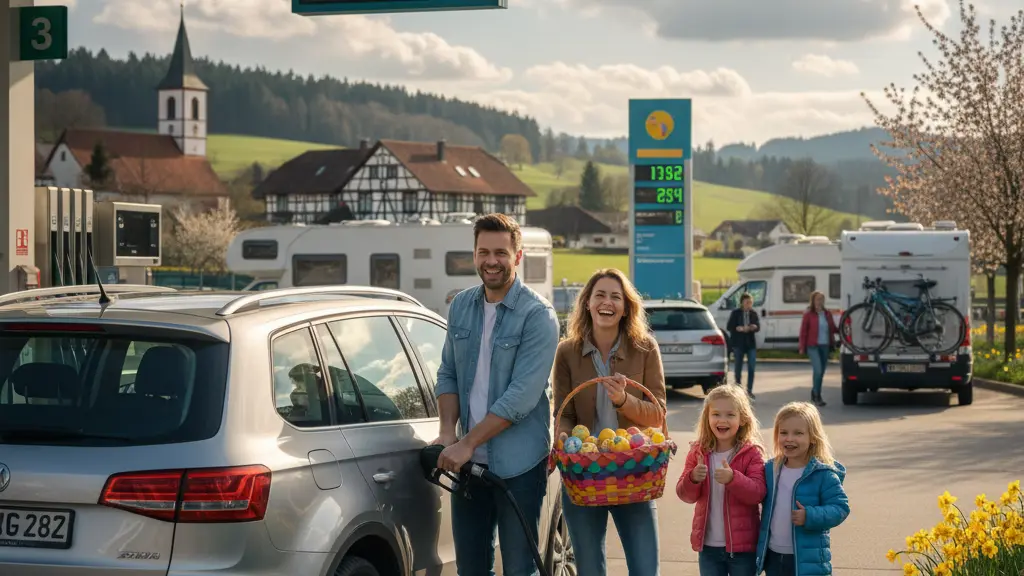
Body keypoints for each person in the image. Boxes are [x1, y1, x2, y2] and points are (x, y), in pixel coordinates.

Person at [432, 213, 561, 576]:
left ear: (517, 256)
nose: (492, 261)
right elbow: (448, 373)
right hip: (468, 466)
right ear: (474, 255)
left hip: (519, 465)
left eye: (501, 253)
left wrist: (467, 443)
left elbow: (520, 397)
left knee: (520, 568)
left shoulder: (539, 316)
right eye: (483, 252)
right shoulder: (460, 305)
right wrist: (447, 432)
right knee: (470, 569)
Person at [552, 267, 667, 576]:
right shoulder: (567, 352)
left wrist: (624, 401)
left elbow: (658, 414)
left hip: (634, 471)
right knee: (590, 569)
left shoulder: (645, 349)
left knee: (645, 570)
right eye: (599, 295)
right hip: (584, 473)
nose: (607, 302)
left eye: (616, 296)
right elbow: (564, 413)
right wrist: (562, 441)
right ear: (587, 302)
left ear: (627, 307)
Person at [677, 385, 767, 575]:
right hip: (708, 547)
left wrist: (734, 478)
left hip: (742, 549)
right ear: (707, 417)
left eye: (730, 415)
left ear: (743, 419)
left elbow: (758, 493)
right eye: (716, 414)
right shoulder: (698, 452)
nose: (722, 420)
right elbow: (684, 495)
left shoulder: (752, 453)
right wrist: (692, 478)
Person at [755, 402, 850, 576]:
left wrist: (810, 515)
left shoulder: (823, 473)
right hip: (773, 555)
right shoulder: (771, 469)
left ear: (813, 437)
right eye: (783, 433)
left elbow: (840, 508)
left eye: (798, 433)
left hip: (809, 560)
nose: (789, 438)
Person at [798, 291, 838, 407]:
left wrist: (843, 329)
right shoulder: (808, 314)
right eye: (817, 299)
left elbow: (833, 328)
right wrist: (802, 347)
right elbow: (803, 332)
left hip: (825, 345)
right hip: (813, 346)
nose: (819, 301)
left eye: (821, 299)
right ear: (813, 301)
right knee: (818, 370)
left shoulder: (827, 314)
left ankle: (816, 392)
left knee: (821, 373)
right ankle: (816, 395)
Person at [727, 293, 760, 398]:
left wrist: (754, 327)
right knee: (738, 367)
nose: (749, 305)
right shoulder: (736, 313)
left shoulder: (753, 313)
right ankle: (738, 390)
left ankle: (749, 390)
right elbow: (729, 326)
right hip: (738, 343)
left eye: (750, 302)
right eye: (747, 302)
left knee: (751, 367)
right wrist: (738, 328)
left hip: (750, 344)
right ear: (742, 303)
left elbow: (758, 326)